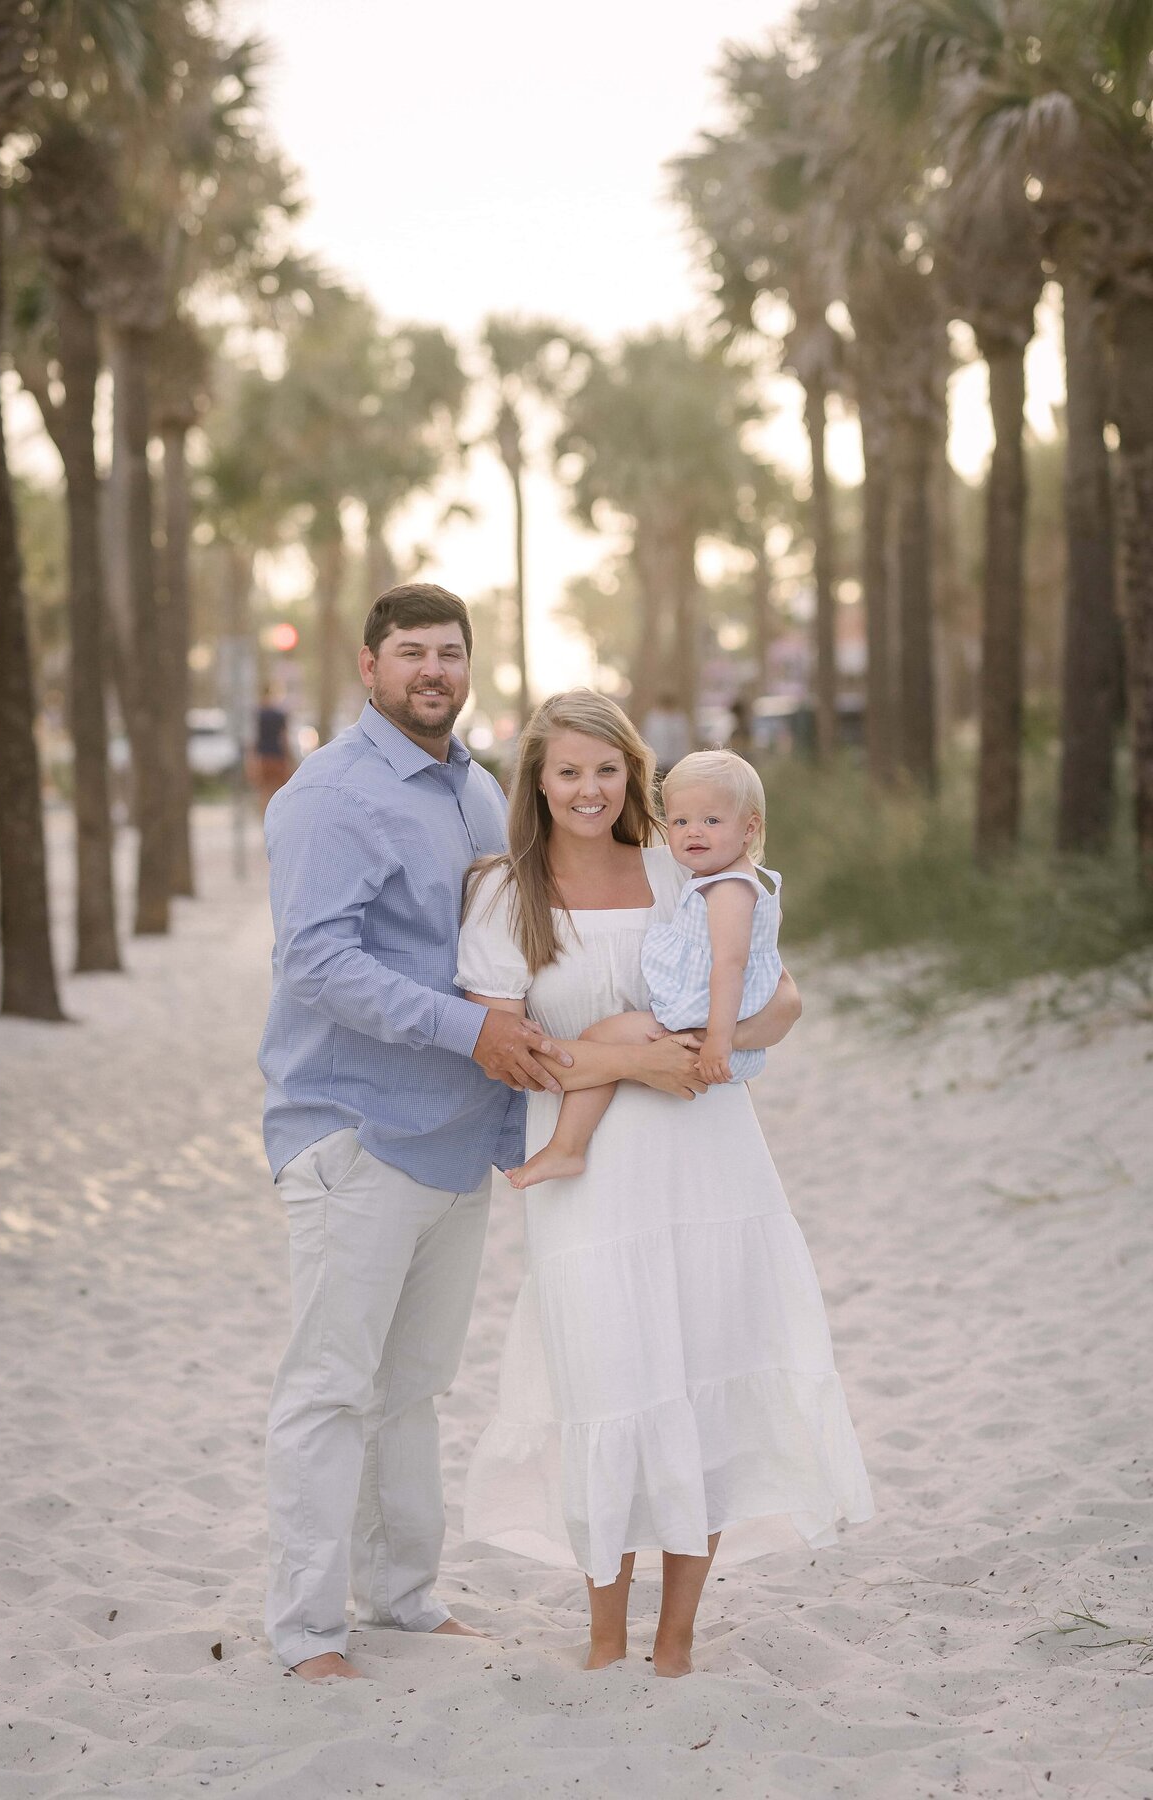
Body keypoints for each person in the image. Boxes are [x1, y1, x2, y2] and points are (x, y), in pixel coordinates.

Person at [258, 589, 725, 1683]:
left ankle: (404, 1599)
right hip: (357, 1129)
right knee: (330, 1388)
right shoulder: (330, 796)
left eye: (450, 652)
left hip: (467, 1137)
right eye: (410, 652)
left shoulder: (475, 791)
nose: (432, 669)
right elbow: (315, 964)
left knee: (412, 1387)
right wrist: (473, 1030)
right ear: (367, 665)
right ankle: (307, 1632)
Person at [456, 690, 873, 1677]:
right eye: (568, 772)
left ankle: (675, 1642)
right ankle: (606, 1641)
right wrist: (632, 1065)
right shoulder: (500, 892)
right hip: (585, 1176)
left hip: (707, 1158)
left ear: (632, 776)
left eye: (608, 770)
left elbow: (782, 992)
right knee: (609, 1383)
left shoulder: (675, 864)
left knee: (700, 1385)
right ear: (539, 782)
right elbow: (501, 1054)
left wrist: (713, 1048)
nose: (590, 789)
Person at [506, 748, 781, 1189]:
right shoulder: (709, 877)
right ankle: (567, 1148)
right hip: (701, 1021)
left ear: (749, 828)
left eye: (712, 821)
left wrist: (717, 1040)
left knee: (601, 1036)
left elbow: (731, 967)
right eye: (680, 822)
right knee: (606, 1040)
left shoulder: (729, 888)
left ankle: (567, 1148)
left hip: (701, 1020)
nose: (694, 833)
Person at [251, 687, 294, 815]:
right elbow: (285, 738)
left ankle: (264, 818)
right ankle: (278, 815)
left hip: (263, 757)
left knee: (264, 791)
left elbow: (254, 738)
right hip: (277, 756)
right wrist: (289, 757)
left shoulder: (259, 714)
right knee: (280, 789)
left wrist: (252, 758)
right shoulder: (279, 715)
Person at [641, 691, 691, 776]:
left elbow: (683, 741)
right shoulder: (653, 718)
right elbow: (647, 738)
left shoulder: (679, 719)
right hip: (657, 760)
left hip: (674, 761)